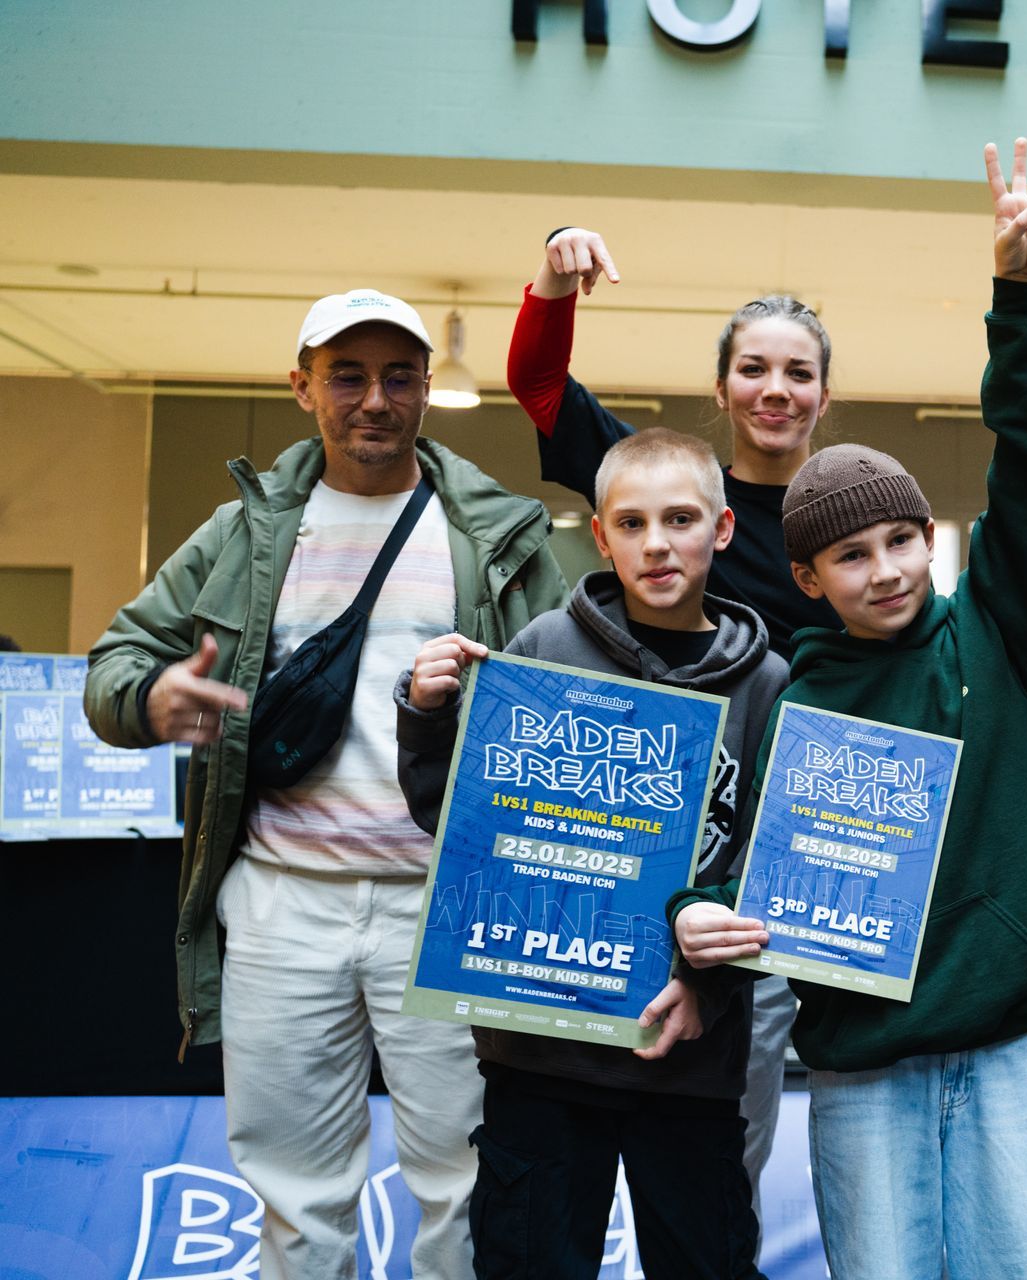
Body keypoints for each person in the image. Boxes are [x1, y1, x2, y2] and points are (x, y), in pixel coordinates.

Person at [84, 289, 570, 1279]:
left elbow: (572, 700)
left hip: (447, 905)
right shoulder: (243, 533)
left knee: (468, 1181)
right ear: (301, 387)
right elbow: (115, 663)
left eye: (399, 377)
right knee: (296, 1193)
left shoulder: (495, 536)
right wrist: (151, 697)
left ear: (427, 388)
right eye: (347, 375)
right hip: (280, 903)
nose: (375, 399)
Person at [669, 138, 1027, 1278]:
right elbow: (745, 864)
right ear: (807, 579)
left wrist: (1018, 300)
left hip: (1007, 1045)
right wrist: (695, 914)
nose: (888, 569)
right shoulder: (790, 698)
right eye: (851, 555)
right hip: (858, 1062)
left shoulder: (993, 627)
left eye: (902, 538)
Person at [394, 428, 787, 1280]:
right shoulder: (543, 649)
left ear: (722, 528)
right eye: (632, 524)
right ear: (601, 537)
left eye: (680, 519)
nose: (657, 544)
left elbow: (770, 877)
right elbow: (456, 825)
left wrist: (709, 987)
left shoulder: (767, 685)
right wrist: (426, 716)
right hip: (541, 1055)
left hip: (688, 1059)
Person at [506, 230, 836, 1237]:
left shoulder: (846, 519)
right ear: (721, 386)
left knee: (717, 1171)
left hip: (759, 873)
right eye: (754, 368)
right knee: (565, 1163)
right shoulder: (669, 491)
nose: (775, 389)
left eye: (798, 372)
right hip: (617, 845)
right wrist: (554, 280)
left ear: (824, 394)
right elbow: (540, 387)